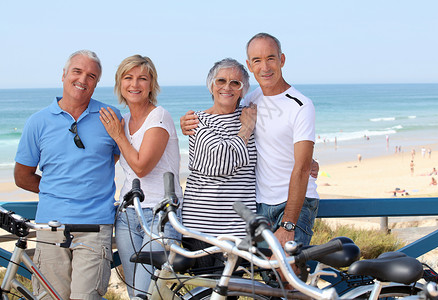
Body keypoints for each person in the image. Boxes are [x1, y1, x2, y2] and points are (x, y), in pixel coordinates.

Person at [181, 33, 320, 248]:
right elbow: (224, 113)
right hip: (259, 206)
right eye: (257, 60)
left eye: (270, 58)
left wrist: (289, 223)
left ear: (282, 60)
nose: (265, 67)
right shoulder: (250, 101)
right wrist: (186, 122)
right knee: (267, 278)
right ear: (250, 65)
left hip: (292, 205)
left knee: (286, 273)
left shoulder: (301, 104)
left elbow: (301, 166)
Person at [14, 50, 120, 300]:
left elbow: (118, 156)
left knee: (86, 297)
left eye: (91, 75)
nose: (83, 79)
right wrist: (59, 190)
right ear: (64, 74)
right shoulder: (37, 122)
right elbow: (22, 176)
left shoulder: (110, 116)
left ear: (96, 83)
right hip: (50, 226)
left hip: (96, 226)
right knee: (51, 297)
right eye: (77, 71)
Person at [99, 55, 183, 297]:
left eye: (142, 79)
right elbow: (108, 163)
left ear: (151, 84)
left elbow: (141, 167)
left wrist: (117, 136)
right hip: (127, 215)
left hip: (160, 215)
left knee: (149, 293)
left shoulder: (159, 117)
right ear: (119, 83)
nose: (134, 84)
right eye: (128, 78)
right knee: (135, 292)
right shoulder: (123, 122)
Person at [181, 58, 257, 268]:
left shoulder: (250, 115)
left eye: (235, 83)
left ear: (243, 90)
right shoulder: (197, 120)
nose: (227, 87)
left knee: (230, 293)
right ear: (211, 86)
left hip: (240, 231)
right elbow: (221, 161)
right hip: (201, 230)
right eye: (221, 80)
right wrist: (246, 130)